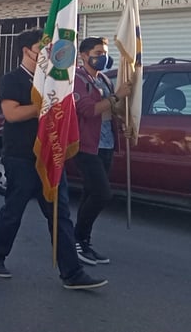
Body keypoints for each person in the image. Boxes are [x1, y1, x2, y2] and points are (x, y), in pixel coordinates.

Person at [0, 28, 107, 290]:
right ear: (27, 51)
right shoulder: (12, 79)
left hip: (51, 156)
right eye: (41, 49)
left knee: (60, 215)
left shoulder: (54, 81)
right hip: (21, 156)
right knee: (14, 210)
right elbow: (12, 114)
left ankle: (72, 272)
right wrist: (45, 106)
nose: (46, 55)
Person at [72, 37, 130, 265]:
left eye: (104, 52)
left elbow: (112, 108)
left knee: (90, 193)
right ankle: (77, 239)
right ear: (84, 55)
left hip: (105, 145)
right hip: (86, 146)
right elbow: (87, 110)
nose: (102, 56)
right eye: (98, 52)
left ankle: (83, 242)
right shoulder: (78, 79)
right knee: (101, 193)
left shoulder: (103, 78)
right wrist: (117, 96)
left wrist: (124, 119)